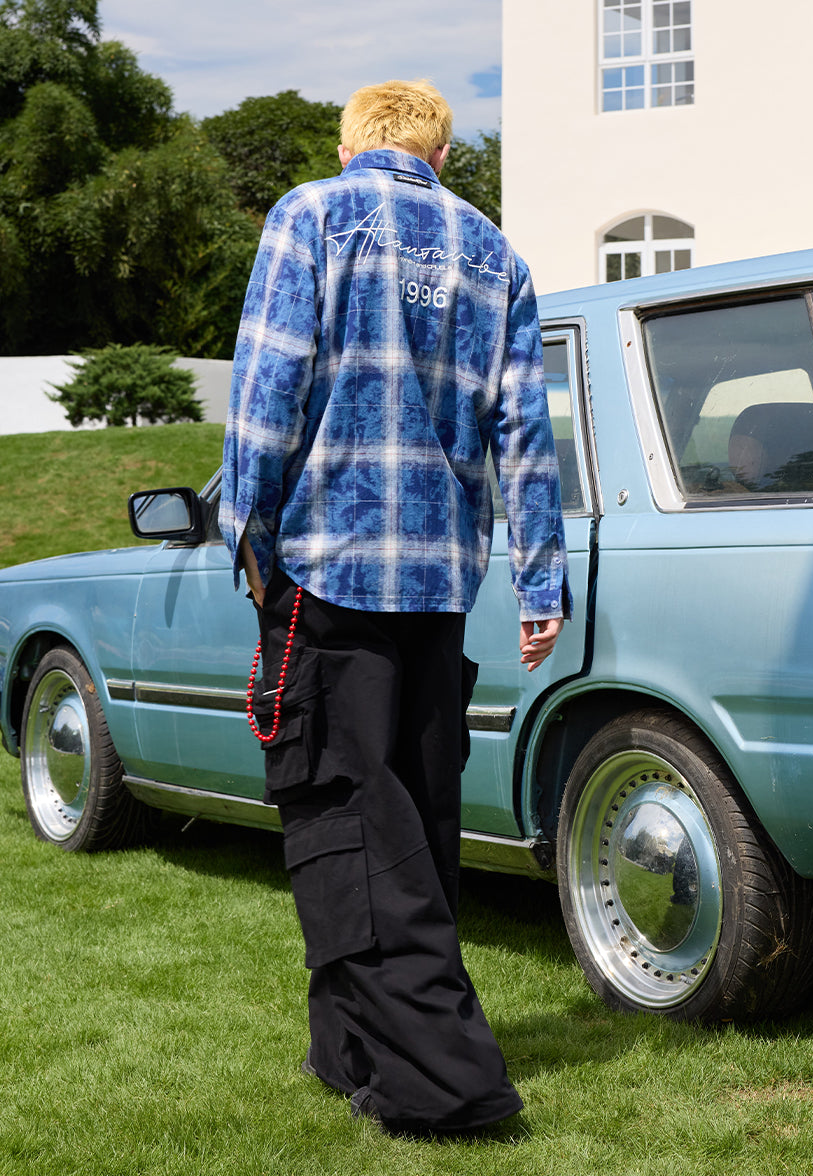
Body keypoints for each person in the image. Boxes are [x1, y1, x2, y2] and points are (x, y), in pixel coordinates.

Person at [220, 78, 571, 1136]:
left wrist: (248, 534)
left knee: (345, 822)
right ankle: (350, 1051)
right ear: (442, 154)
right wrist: (542, 581)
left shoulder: (313, 214)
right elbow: (527, 434)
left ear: (349, 142)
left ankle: (448, 1087)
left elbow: (267, 390)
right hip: (441, 588)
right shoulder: (494, 253)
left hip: (329, 571)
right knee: (413, 821)